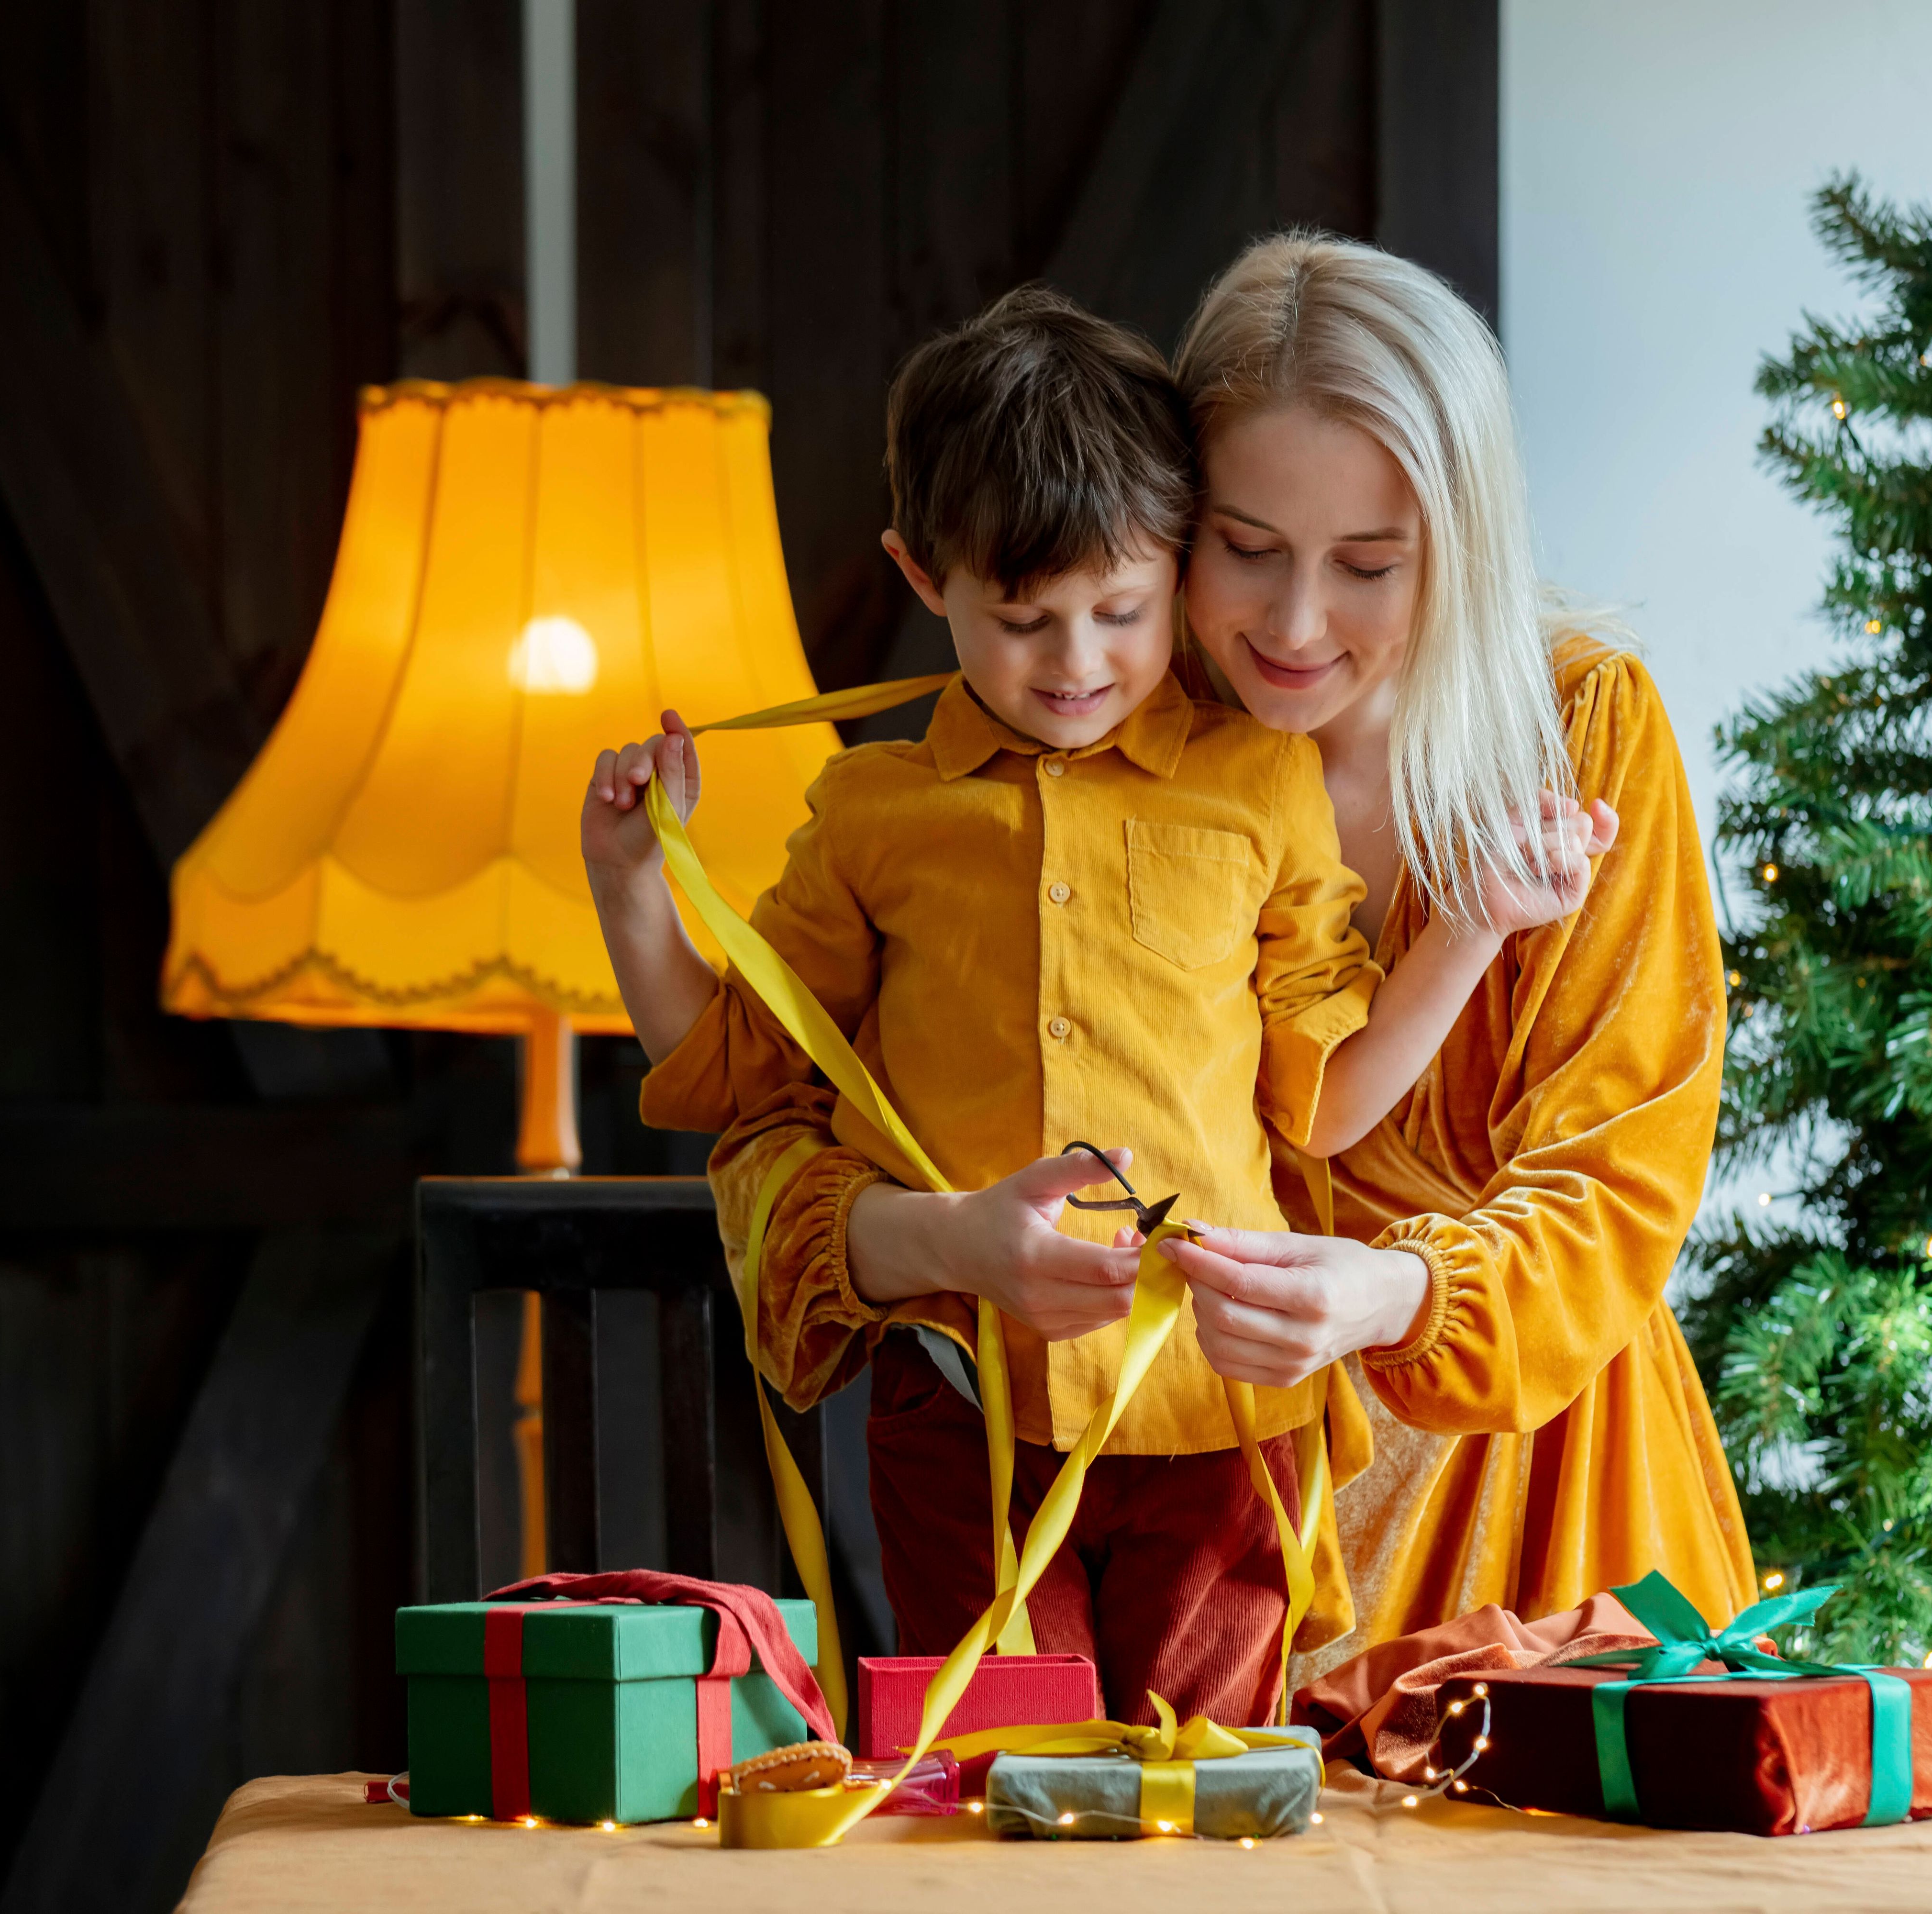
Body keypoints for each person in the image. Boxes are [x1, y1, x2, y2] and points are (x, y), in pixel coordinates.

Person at [708, 235, 1757, 1680]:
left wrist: (1397, 1298)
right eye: (1245, 551)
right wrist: (938, 1243)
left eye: (1372, 565)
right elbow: (774, 1121)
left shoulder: (1584, 732)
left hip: (1534, 1494)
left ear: (1463, 542)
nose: (1295, 623)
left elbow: (1623, 1182)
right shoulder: (1077, 724)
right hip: (1171, 1497)